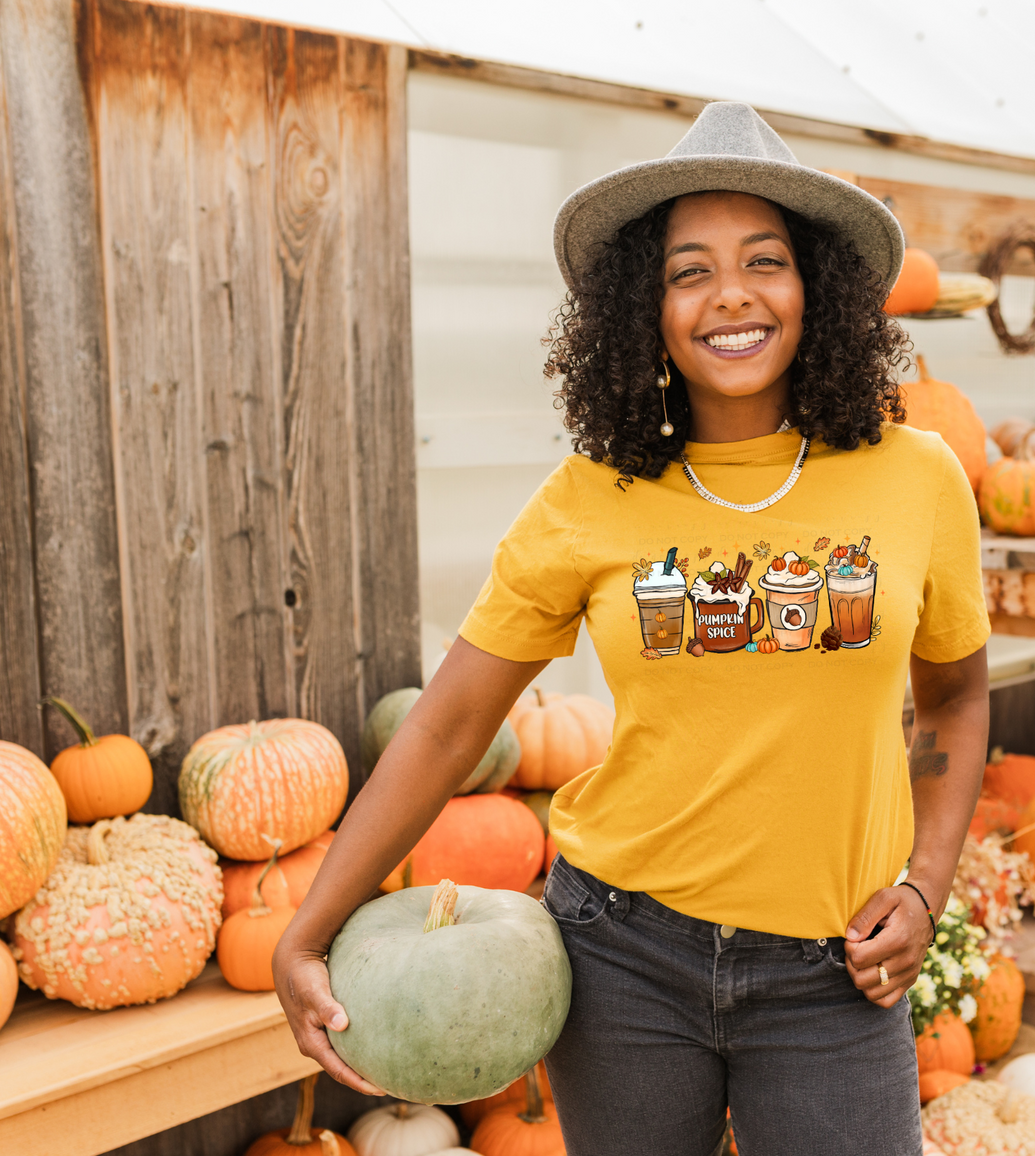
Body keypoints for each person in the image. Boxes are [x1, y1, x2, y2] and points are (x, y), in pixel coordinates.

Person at [274, 102, 990, 1156]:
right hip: (622, 955)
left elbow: (957, 699)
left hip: (832, 968)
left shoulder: (914, 475)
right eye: (686, 270)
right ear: (640, 309)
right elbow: (446, 724)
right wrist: (307, 925)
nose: (729, 295)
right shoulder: (590, 495)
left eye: (764, 260)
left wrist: (925, 887)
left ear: (818, 288)